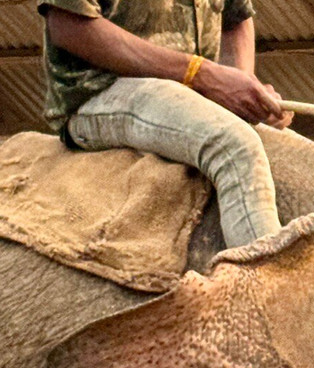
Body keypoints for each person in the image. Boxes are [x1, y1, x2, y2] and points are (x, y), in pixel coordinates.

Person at [39, 1, 293, 248]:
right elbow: (67, 26)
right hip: (99, 90)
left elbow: (235, 18)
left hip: (192, 93)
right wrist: (201, 74)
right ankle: (265, 285)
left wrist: (243, 91)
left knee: (286, 150)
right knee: (235, 146)